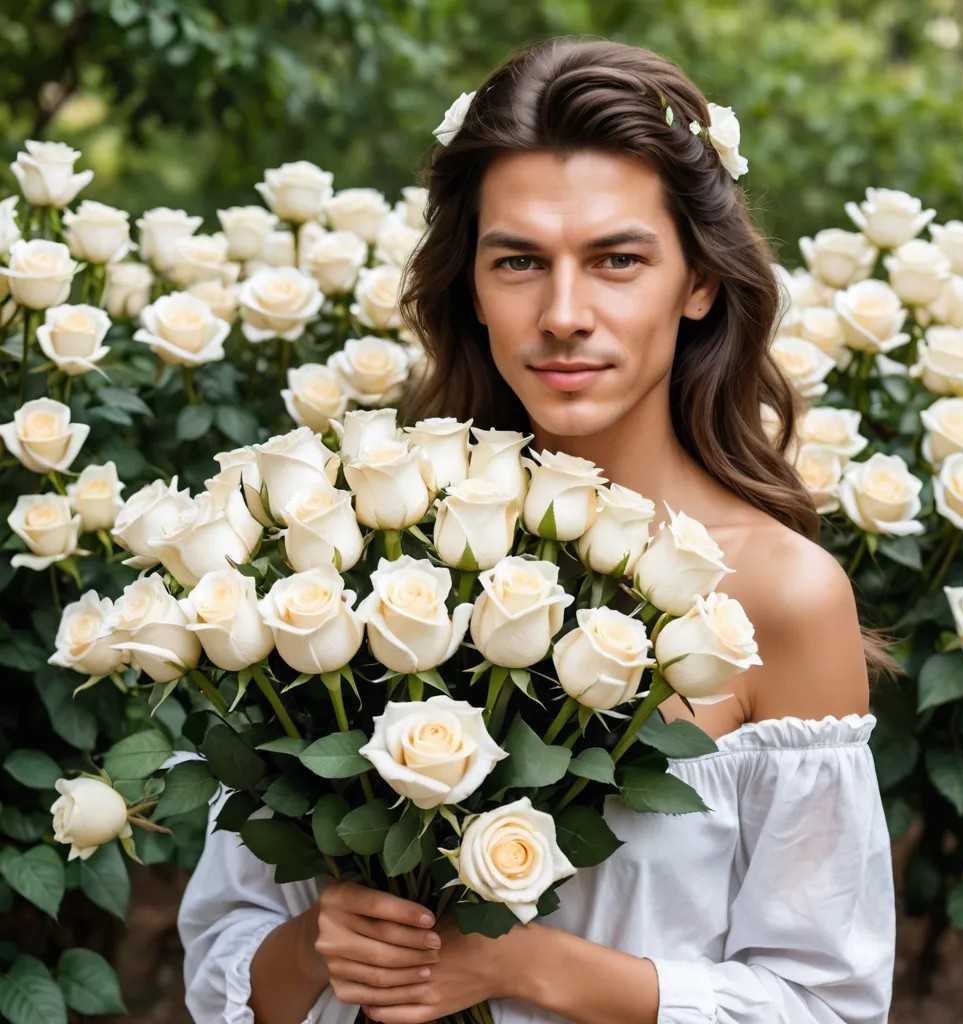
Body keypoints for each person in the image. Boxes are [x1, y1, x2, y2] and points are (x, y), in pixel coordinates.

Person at [179, 37, 896, 1024]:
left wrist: (522, 966)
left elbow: (826, 1003)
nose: (563, 314)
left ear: (697, 283)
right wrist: (324, 940)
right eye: (517, 260)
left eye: (617, 260)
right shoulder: (342, 558)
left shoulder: (782, 596)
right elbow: (228, 969)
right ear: (470, 285)